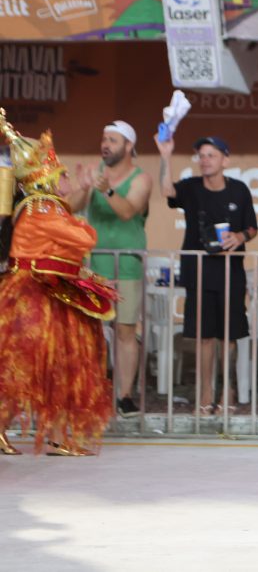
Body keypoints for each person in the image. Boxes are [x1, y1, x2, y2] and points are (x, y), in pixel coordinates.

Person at [0, 110, 116, 456]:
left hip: (45, 297)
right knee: (33, 369)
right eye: (59, 174)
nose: (62, 180)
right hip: (33, 301)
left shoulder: (43, 207)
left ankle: (55, 435)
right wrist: (78, 221)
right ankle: (50, 435)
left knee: (42, 371)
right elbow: (84, 238)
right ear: (44, 177)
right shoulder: (44, 208)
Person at [156, 135, 258, 415]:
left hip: (230, 271)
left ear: (225, 159)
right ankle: (205, 392)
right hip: (199, 270)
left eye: (211, 155)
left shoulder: (239, 190)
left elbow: (252, 228)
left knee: (229, 336)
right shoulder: (191, 188)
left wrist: (239, 236)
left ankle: (228, 390)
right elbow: (167, 191)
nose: (204, 160)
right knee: (203, 336)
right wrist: (165, 156)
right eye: (201, 155)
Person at [67, 120, 153, 418]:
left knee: (125, 330)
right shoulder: (96, 172)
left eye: (113, 140)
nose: (105, 144)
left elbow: (129, 211)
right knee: (90, 329)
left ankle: (125, 396)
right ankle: (90, 389)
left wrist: (107, 191)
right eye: (104, 139)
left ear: (128, 145)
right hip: (94, 265)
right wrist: (85, 186)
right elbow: (72, 207)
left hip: (126, 264)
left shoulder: (141, 178)